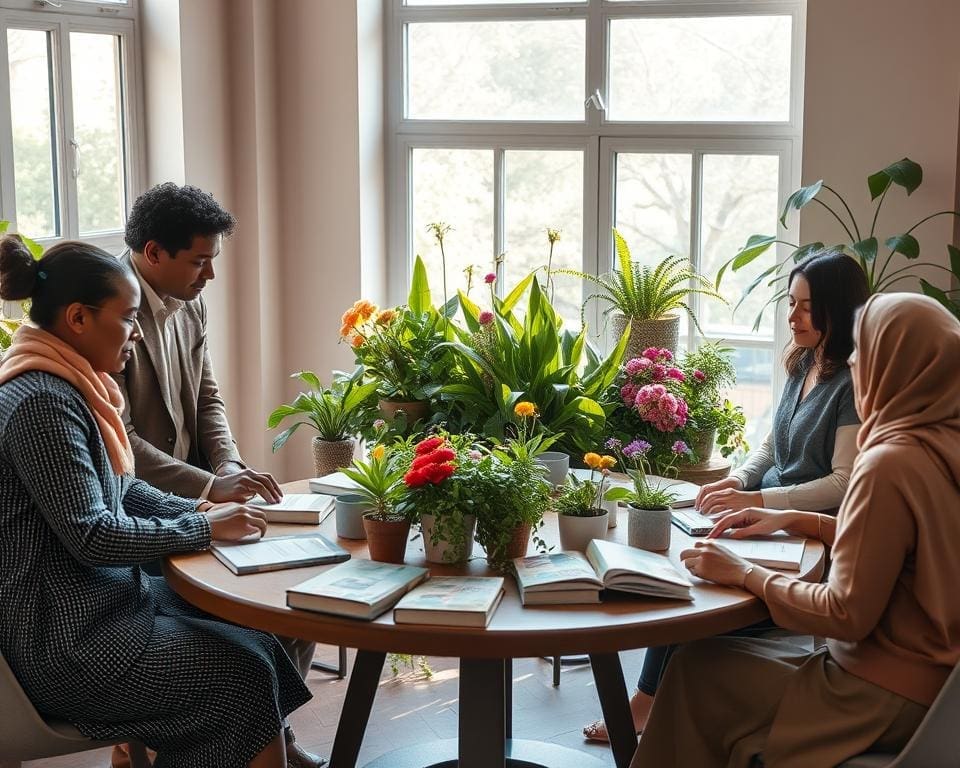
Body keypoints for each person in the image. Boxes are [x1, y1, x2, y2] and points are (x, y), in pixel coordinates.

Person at [0, 236, 314, 767]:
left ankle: (253, 748)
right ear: (78, 318)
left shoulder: (73, 386)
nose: (136, 333)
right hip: (66, 640)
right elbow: (93, 536)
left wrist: (199, 510)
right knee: (241, 678)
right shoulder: (41, 404)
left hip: (103, 608)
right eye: (126, 319)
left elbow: (121, 488)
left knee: (260, 635)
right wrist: (206, 531)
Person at [630, 292, 960, 767]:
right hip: (936, 700)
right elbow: (907, 551)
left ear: (898, 364)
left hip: (872, 696)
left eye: (865, 351)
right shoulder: (943, 444)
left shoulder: (889, 463)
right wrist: (793, 518)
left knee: (694, 670)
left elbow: (844, 613)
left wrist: (744, 571)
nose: (853, 361)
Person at [584, 250, 872, 742]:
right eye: (791, 303)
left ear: (836, 311)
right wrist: (738, 481)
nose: (792, 316)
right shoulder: (805, 362)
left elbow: (842, 484)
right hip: (769, 516)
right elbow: (770, 443)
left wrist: (761, 503)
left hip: (806, 535)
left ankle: (648, 705)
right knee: (687, 560)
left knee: (695, 587)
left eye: (805, 307)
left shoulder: (850, 382)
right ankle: (652, 703)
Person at [115, 183, 322, 768]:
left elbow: (208, 396)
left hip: (199, 494)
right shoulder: (110, 307)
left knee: (298, 597)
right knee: (251, 618)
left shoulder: (191, 299)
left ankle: (269, 733)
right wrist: (206, 488)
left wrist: (227, 464)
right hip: (143, 509)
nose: (209, 275)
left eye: (212, 260)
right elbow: (120, 444)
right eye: (199, 261)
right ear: (154, 253)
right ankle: (154, 745)